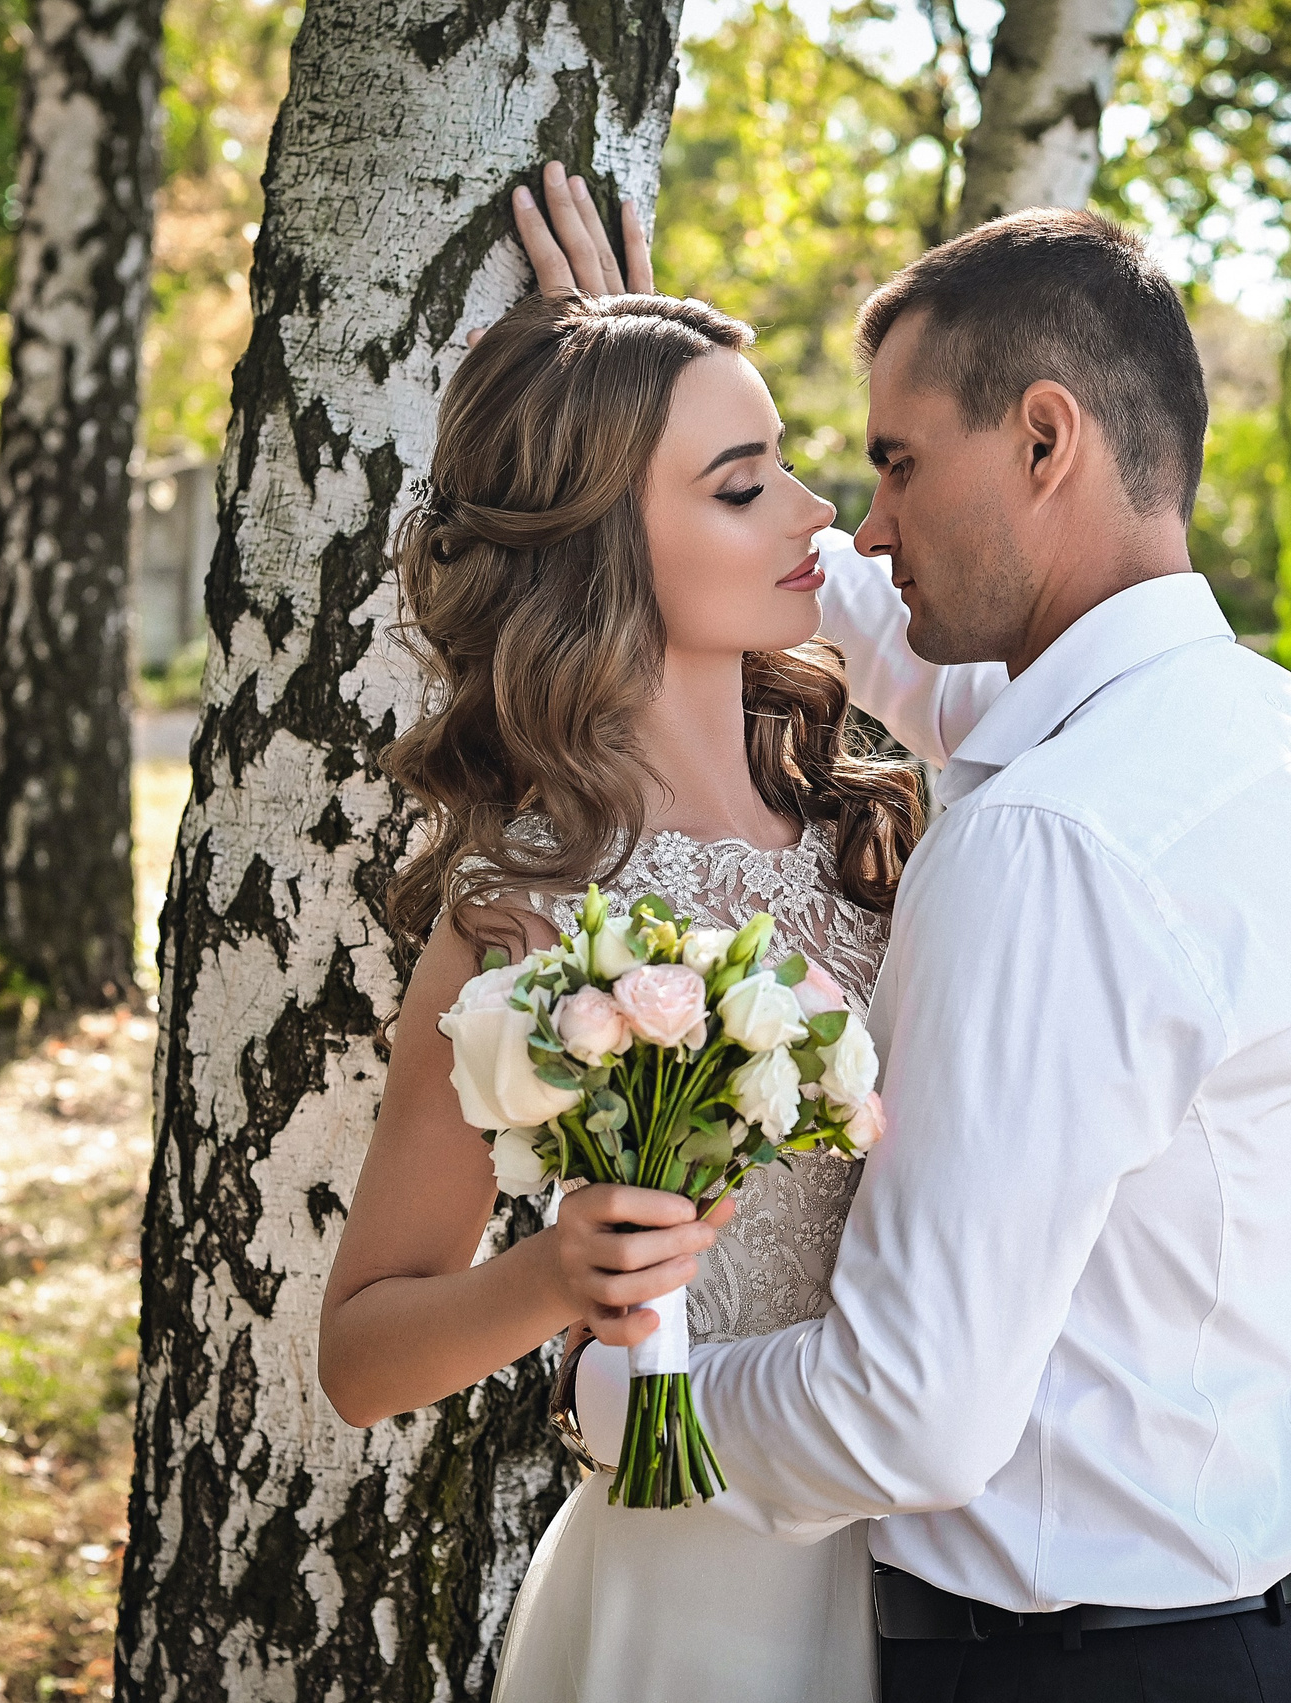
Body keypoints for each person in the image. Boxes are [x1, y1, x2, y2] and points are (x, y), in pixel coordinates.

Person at [525, 185, 1291, 1701]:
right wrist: (645, 402)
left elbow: (905, 1413)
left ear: (1046, 441)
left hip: (1063, 1672)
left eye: (897, 463)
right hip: (1272, 1641)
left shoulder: (1046, 840)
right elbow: (917, 655)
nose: (865, 521)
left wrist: (628, 1402)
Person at [315, 165, 954, 1702]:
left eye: (789, 464)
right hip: (697, 1591)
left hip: (954, 1564)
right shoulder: (524, 920)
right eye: (743, 486)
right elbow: (361, 1357)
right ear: (603, 549)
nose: (816, 517)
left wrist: (642, 347)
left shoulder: (877, 830)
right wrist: (552, 1279)